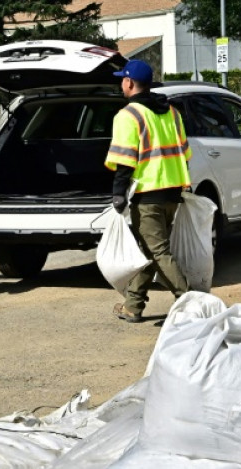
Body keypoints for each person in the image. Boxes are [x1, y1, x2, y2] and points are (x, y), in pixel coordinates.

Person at [104, 60, 192, 322]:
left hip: (147, 192)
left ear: (130, 83)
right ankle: (133, 305)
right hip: (172, 190)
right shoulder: (172, 112)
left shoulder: (128, 115)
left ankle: (189, 304)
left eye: (122, 79)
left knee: (158, 251)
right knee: (148, 249)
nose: (121, 83)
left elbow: (124, 159)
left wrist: (118, 194)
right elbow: (184, 153)